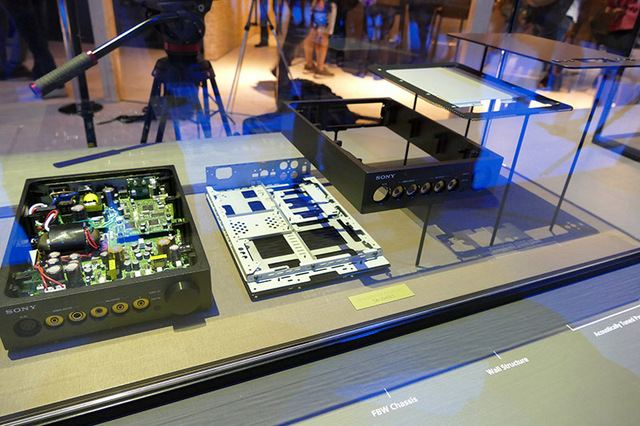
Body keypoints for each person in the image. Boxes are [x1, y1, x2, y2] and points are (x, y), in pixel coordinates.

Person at [303, 0, 337, 77]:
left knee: (311, 32)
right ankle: (320, 68)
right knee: (323, 34)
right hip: (324, 4)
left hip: (313, 3)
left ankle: (309, 64)